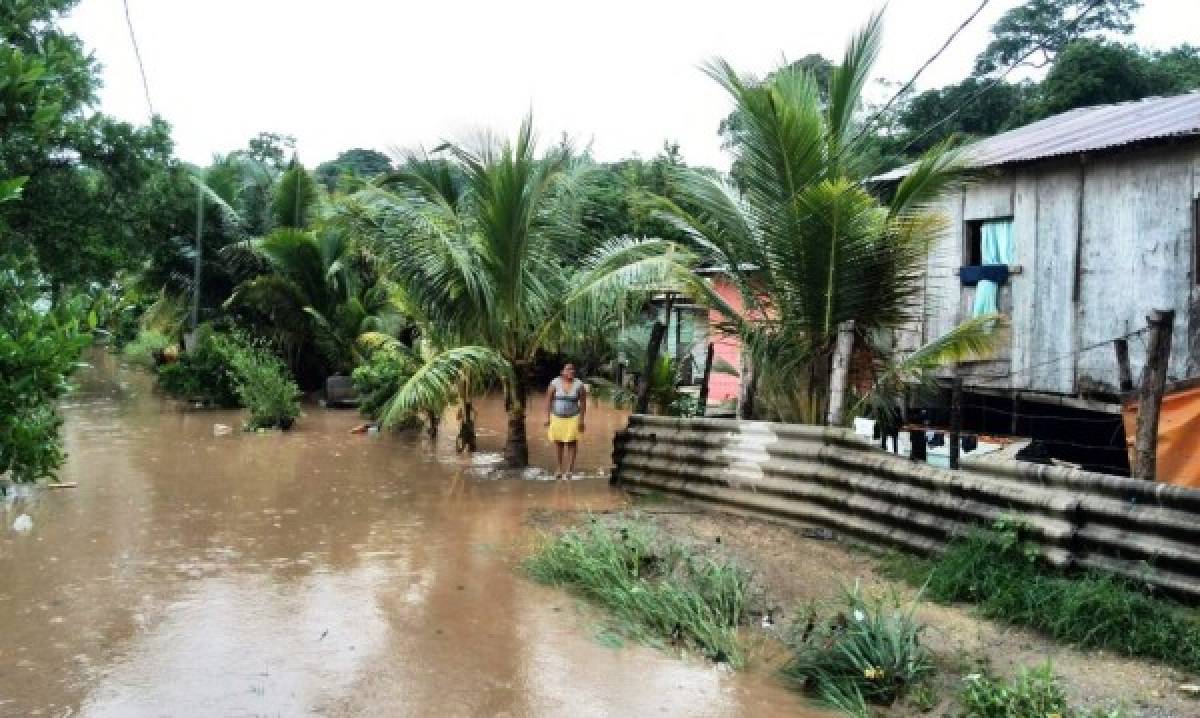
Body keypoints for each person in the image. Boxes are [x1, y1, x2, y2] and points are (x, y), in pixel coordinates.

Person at [544, 362, 586, 479]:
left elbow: (583, 404)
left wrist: (581, 420)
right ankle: (559, 469)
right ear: (562, 372)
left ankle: (569, 470)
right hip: (557, 417)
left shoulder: (579, 385)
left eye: (573, 369)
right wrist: (547, 418)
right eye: (568, 369)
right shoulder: (554, 383)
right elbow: (548, 401)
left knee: (572, 443)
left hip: (573, 418)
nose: (571, 371)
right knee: (559, 443)